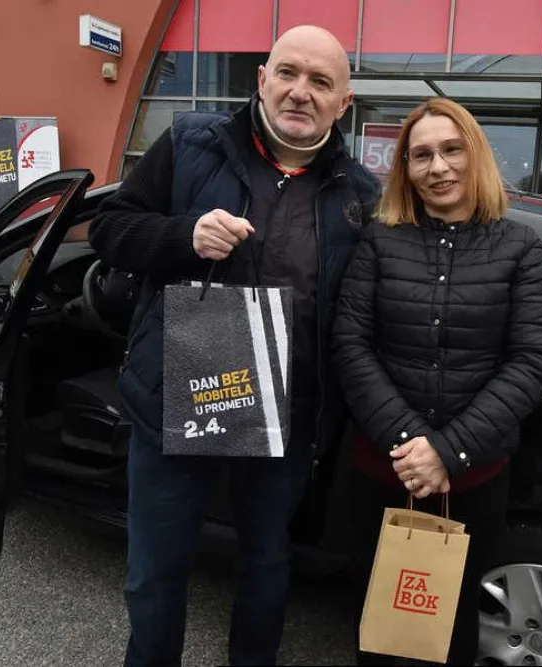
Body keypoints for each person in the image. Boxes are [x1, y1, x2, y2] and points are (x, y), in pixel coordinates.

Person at [87, 25, 380, 667]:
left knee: (266, 562)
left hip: (285, 413)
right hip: (180, 397)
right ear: (262, 79)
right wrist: (183, 236)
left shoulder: (361, 196)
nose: (300, 92)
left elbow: (370, 311)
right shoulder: (192, 143)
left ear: (343, 103)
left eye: (321, 82)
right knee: (155, 569)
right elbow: (108, 229)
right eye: (288, 73)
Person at [332, 97, 542, 665]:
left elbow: (531, 360)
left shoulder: (520, 247)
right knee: (378, 622)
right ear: (406, 168)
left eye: (452, 150)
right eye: (422, 155)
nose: (438, 167)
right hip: (382, 473)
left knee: (451, 625)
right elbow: (351, 346)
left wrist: (447, 451)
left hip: (472, 479)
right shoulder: (380, 241)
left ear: (475, 154)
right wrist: (411, 442)